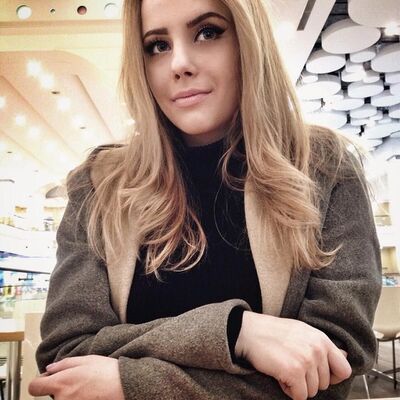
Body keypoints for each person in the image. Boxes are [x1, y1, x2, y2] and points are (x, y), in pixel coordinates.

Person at [28, 0, 382, 399]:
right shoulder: (98, 185)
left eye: (208, 32)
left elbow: (332, 365)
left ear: (248, 41)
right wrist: (236, 333)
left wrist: (130, 384)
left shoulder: (325, 168)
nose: (179, 63)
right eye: (157, 45)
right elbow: (66, 358)